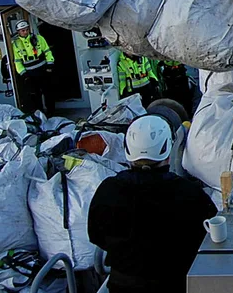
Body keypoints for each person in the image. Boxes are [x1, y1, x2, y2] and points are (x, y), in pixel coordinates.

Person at [88, 114, 217, 293]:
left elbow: (96, 236)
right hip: (176, 284)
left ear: (128, 150)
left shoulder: (108, 190)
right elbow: (211, 235)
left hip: (122, 286)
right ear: (168, 150)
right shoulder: (189, 194)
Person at [10, 20, 55, 115]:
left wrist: (50, 65)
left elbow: (47, 51)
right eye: (22, 30)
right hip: (30, 74)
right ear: (18, 32)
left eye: (26, 29)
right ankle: (39, 115)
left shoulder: (39, 38)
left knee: (48, 93)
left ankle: (51, 113)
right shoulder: (16, 44)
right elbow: (17, 61)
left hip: (43, 70)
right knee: (35, 95)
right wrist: (23, 74)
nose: (25, 32)